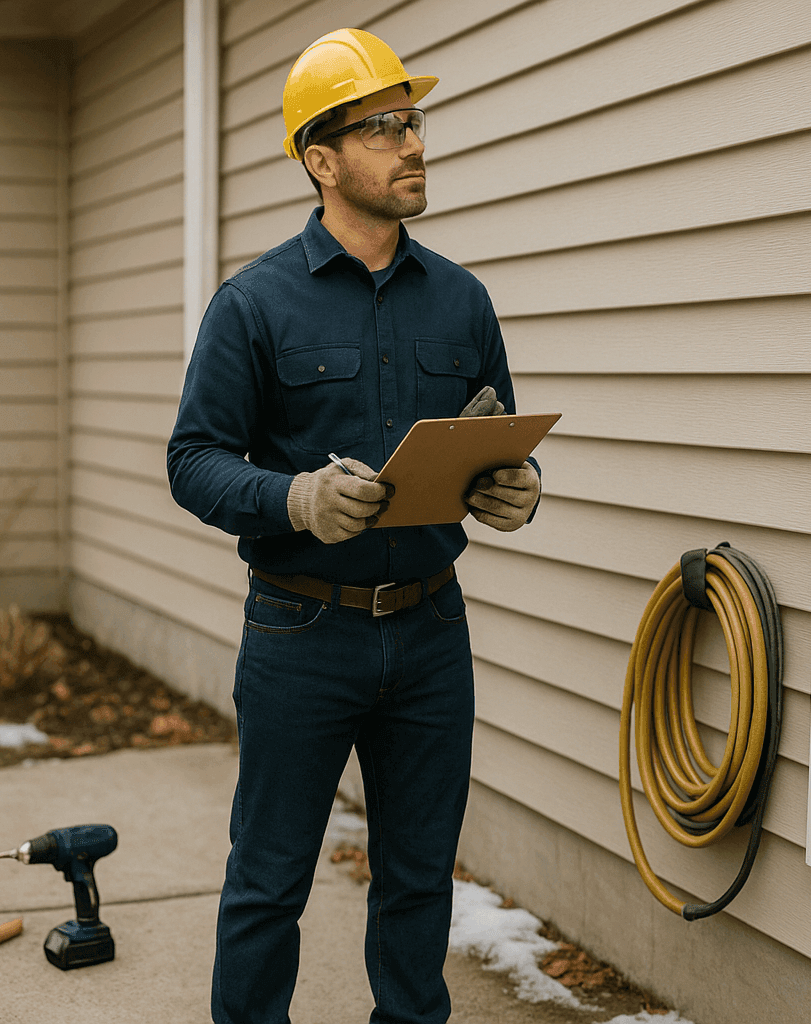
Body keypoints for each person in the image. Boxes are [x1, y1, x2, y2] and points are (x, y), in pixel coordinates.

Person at [167, 27, 542, 1024]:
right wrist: (291, 498)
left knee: (418, 882)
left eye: (413, 122)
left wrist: (515, 486)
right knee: (270, 882)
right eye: (383, 128)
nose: (412, 144)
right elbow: (192, 460)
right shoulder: (253, 306)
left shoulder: (463, 303)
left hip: (430, 633)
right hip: (301, 632)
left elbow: (490, 443)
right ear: (321, 160)